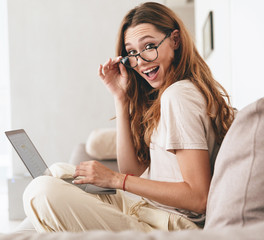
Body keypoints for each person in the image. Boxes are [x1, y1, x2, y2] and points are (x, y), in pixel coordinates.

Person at [23, 2, 234, 233]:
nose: (140, 61)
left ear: (175, 40)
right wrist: (120, 98)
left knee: (42, 191)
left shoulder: (178, 96)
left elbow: (198, 197)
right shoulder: (168, 95)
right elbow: (133, 173)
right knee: (56, 172)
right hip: (145, 207)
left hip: (171, 224)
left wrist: (115, 180)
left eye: (149, 46)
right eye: (132, 52)